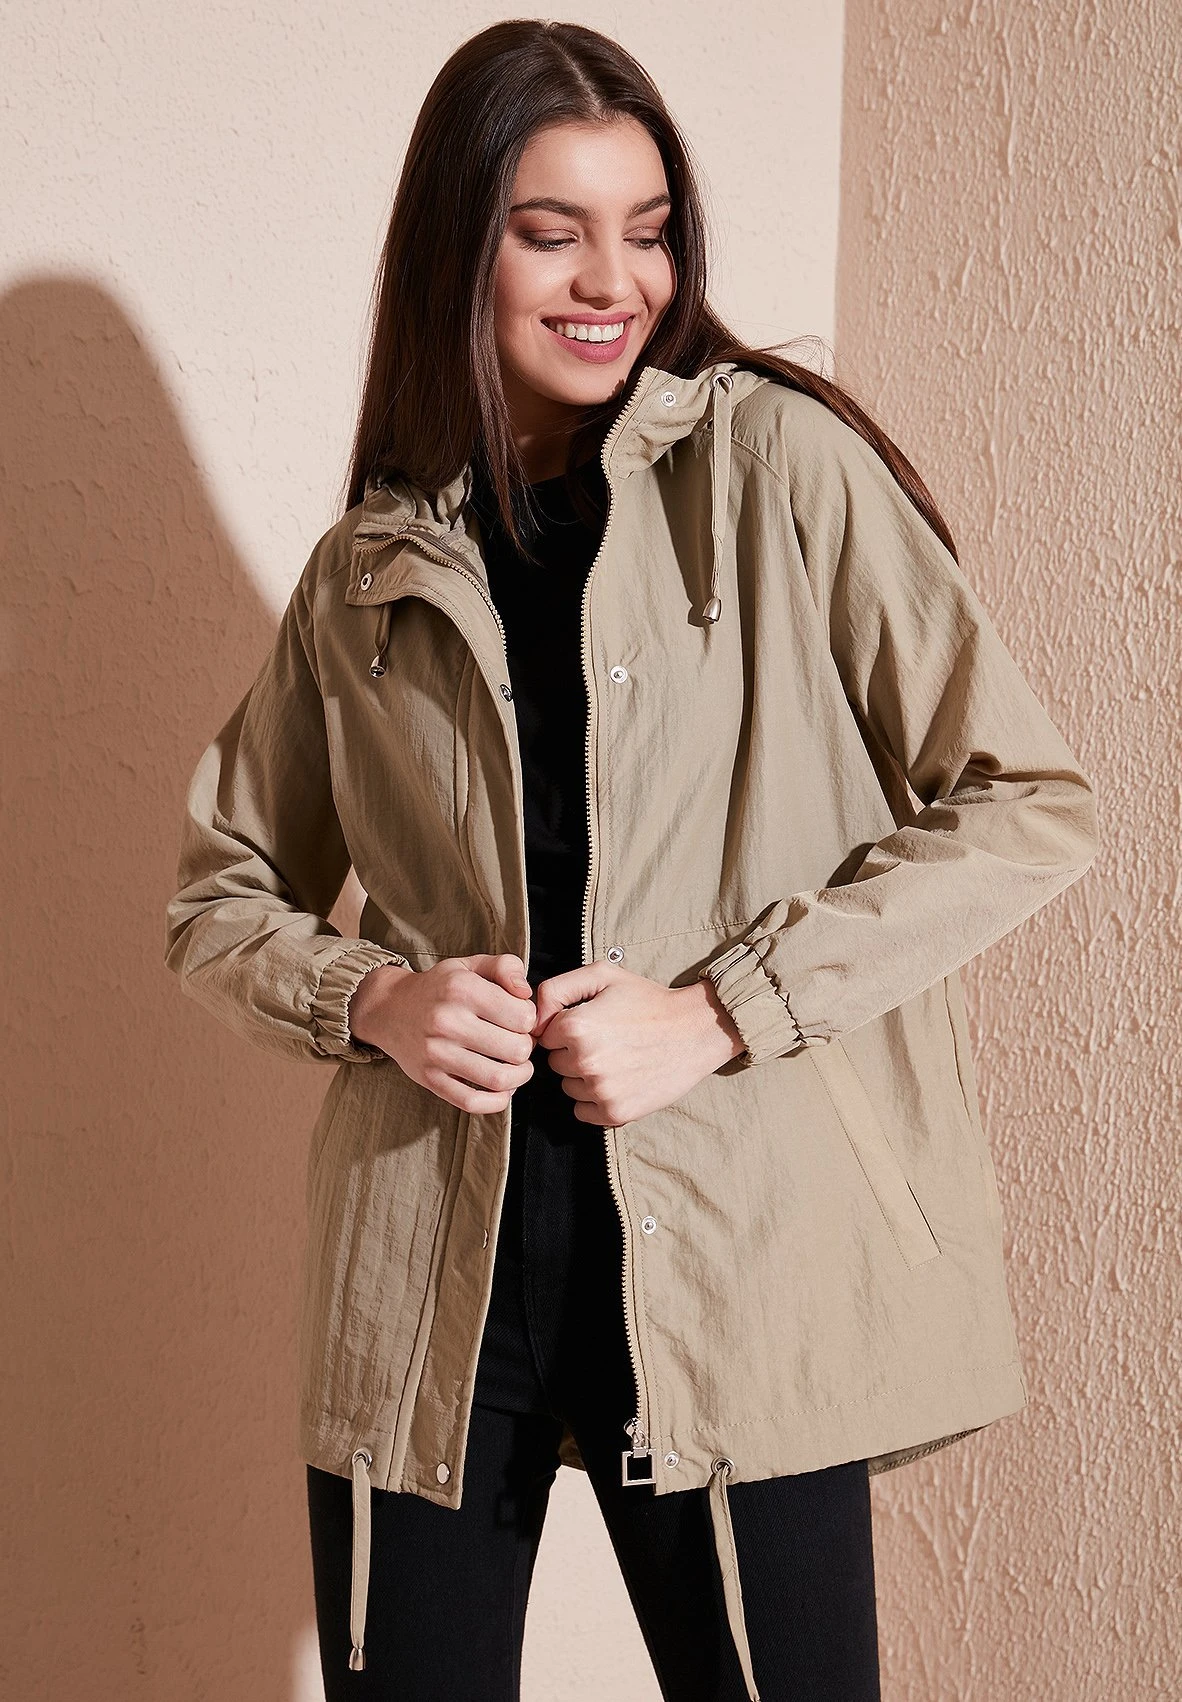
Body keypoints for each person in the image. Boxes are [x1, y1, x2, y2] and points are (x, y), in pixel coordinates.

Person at [163, 20, 1099, 1702]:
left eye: (648, 229)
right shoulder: (368, 562)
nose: (614, 280)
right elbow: (220, 893)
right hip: (429, 1296)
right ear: (460, 246)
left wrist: (720, 1009)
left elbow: (1025, 798)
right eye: (552, 231)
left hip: (733, 1273)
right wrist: (371, 996)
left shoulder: (775, 464)